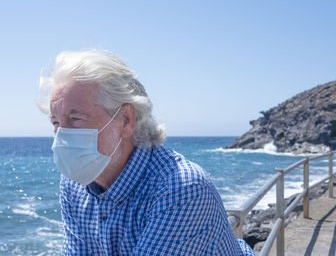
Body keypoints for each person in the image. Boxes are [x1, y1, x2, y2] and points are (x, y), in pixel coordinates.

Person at [37, 50, 256, 255]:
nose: (62, 135)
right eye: (56, 122)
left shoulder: (181, 189)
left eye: (75, 119)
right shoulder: (74, 186)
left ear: (126, 120)